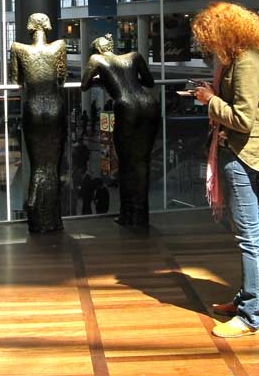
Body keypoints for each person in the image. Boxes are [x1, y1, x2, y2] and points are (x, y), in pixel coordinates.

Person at [191, 1, 259, 339]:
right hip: (249, 152)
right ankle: (246, 300)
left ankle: (251, 314)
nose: (208, 45)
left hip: (243, 153)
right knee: (249, 232)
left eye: (209, 38)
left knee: (250, 236)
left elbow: (242, 119)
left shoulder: (244, 62)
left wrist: (208, 99)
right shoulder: (255, 55)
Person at [81, 33, 160, 228]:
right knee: (142, 162)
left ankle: (128, 215)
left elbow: (84, 85)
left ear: (98, 49)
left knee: (126, 163)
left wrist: (103, 79)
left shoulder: (97, 59)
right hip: (149, 104)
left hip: (126, 107)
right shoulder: (133, 56)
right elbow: (149, 82)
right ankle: (142, 216)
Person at [9, 12, 67, 233]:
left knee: (38, 166)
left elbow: (17, 81)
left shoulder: (18, 48)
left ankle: (37, 218)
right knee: (52, 166)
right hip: (55, 107)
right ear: (48, 26)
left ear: (30, 28)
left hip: (33, 107)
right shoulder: (59, 47)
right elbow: (60, 80)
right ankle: (53, 219)